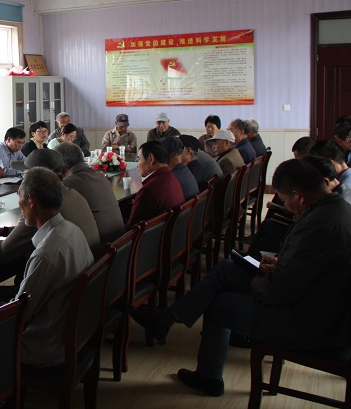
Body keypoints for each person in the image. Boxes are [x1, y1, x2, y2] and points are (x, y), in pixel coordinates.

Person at [132, 158, 351, 397]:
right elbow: (311, 267)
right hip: (315, 301)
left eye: (285, 200)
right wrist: (280, 263)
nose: (286, 206)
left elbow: (280, 291)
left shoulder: (319, 225)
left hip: (309, 323)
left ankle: (208, 376)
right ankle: (166, 319)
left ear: (299, 196)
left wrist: (257, 282)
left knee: (220, 305)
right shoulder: (336, 209)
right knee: (228, 268)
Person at [0, 148, 99, 284]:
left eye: (25, 174)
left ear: (36, 177)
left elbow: (1, 254)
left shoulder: (42, 206)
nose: (23, 179)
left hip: (63, 284)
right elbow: (31, 232)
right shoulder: (73, 193)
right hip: (87, 276)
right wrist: (1, 231)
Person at [14, 167, 94, 367]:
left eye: (20, 197)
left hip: (45, 347)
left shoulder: (45, 255)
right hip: (77, 333)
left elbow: (19, 315)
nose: (19, 204)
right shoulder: (73, 230)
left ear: (31, 200)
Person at [53, 142, 125, 245]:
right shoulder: (100, 176)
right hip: (122, 243)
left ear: (61, 166)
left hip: (103, 250)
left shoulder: (69, 184)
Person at [126, 141, 184, 229]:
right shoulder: (171, 177)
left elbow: (132, 229)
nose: (137, 164)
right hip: (174, 231)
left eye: (139, 159)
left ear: (151, 159)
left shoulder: (149, 190)